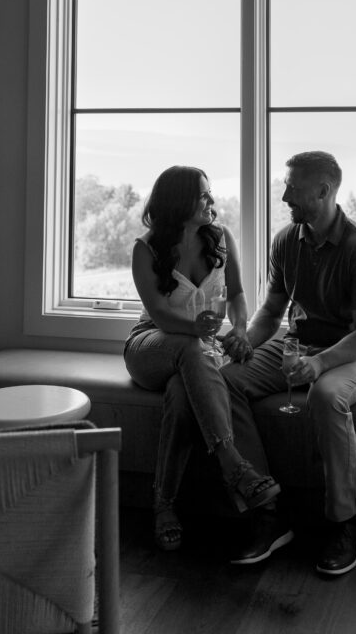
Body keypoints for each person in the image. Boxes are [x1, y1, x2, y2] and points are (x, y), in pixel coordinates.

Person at [221, 151, 356, 576]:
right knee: (224, 380)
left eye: (292, 189)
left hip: (352, 352)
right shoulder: (285, 241)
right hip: (297, 345)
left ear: (324, 191)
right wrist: (244, 341)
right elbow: (271, 312)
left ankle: (345, 523)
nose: (284, 197)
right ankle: (267, 509)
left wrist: (320, 365)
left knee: (327, 397)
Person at [123, 165, 280, 552]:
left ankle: (164, 505)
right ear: (179, 202)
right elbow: (161, 316)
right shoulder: (146, 249)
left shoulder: (221, 238)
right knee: (191, 349)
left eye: (210, 193)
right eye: (203, 194)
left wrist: (239, 329)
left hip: (198, 352)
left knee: (181, 395)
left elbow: (238, 294)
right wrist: (198, 329)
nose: (212, 200)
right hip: (151, 347)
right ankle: (232, 462)